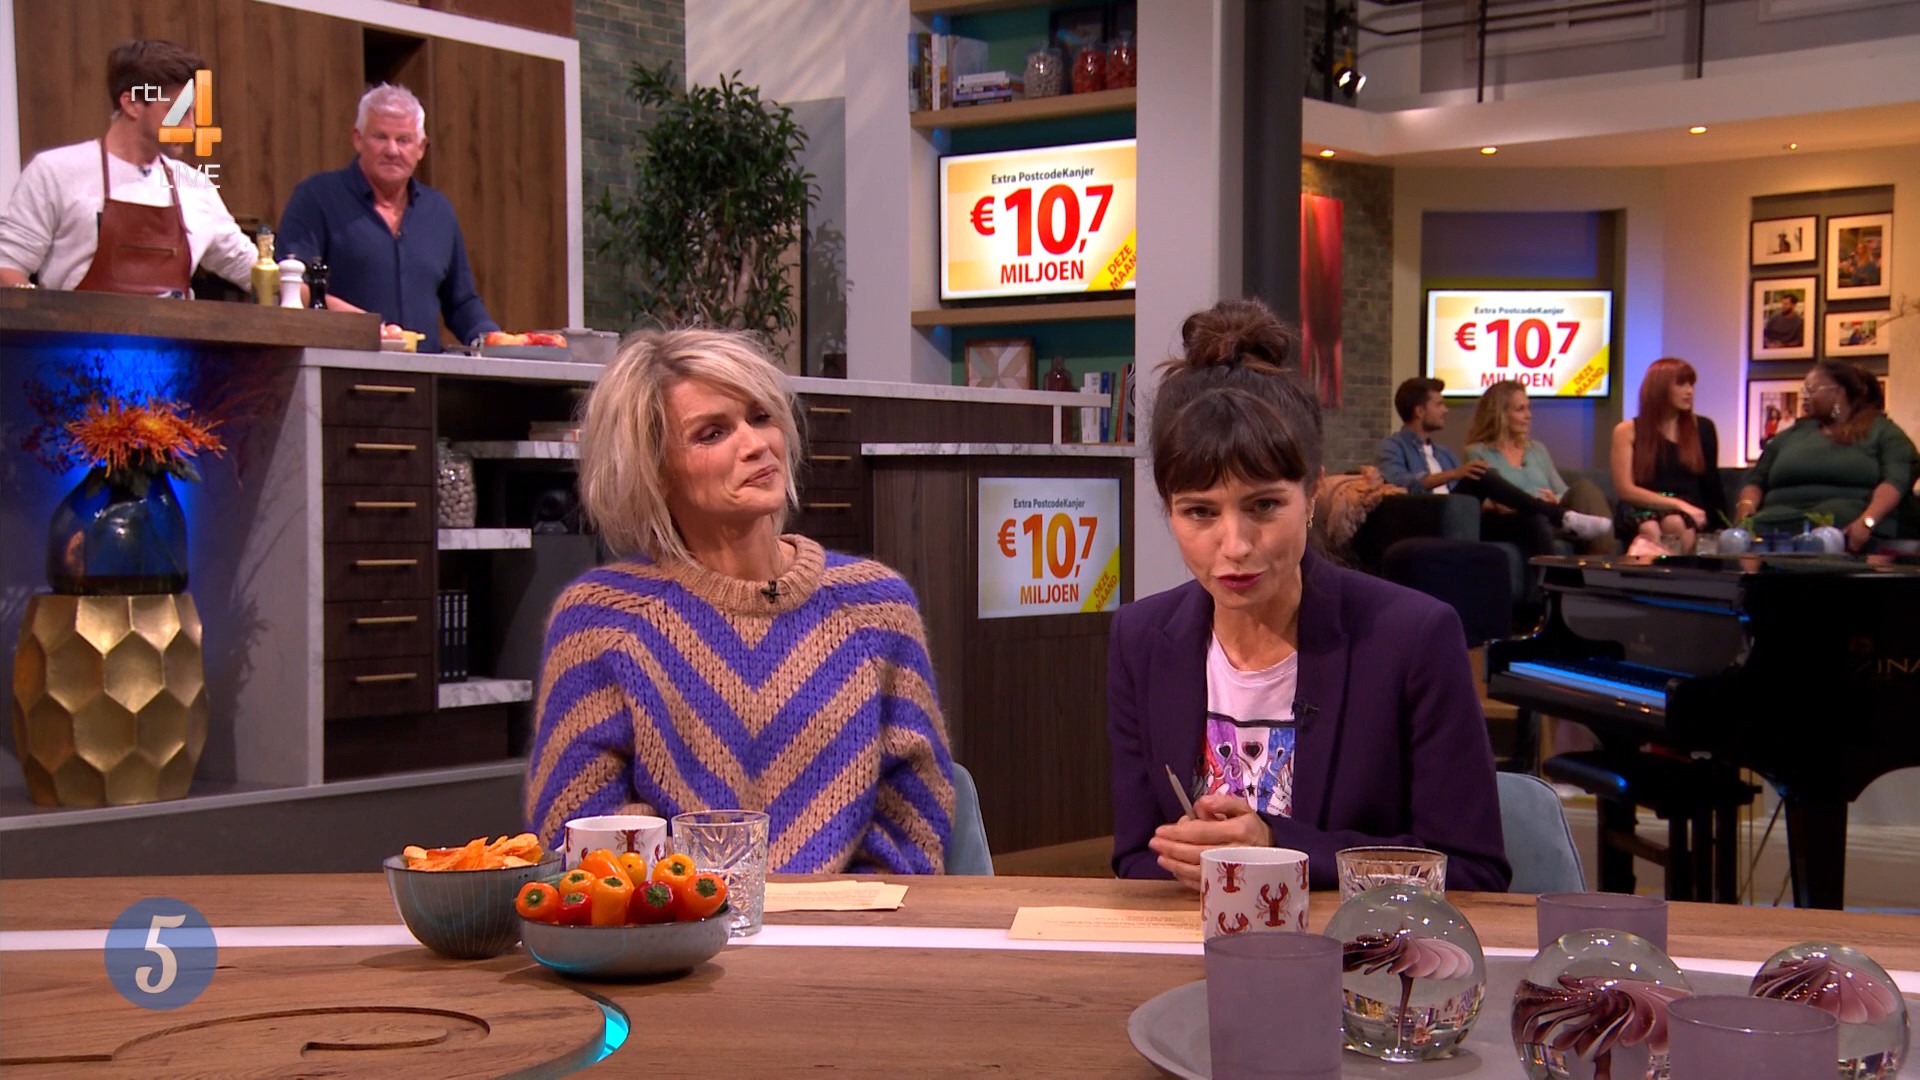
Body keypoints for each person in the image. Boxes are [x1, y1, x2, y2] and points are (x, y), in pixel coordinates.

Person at [1108, 299, 1511, 893]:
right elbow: (1137, 857)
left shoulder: (1414, 638)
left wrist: (1279, 850)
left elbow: (1472, 872)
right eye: (1199, 512)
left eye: (1264, 505)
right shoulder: (1140, 638)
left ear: (1313, 494)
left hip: (1357, 945)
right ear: (1169, 511)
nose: (1235, 545)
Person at [524, 328, 954, 873]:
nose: (755, 444)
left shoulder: (874, 607)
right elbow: (580, 823)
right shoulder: (602, 620)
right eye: (712, 433)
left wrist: (842, 912)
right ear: (654, 470)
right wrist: (701, 904)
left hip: (852, 918)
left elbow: (916, 813)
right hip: (675, 918)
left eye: (760, 416)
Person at [0, 40, 255, 295]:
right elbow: (7, 266)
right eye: (177, 112)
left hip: (176, 322)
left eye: (193, 114)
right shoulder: (55, 172)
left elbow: (249, 267)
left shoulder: (195, 185)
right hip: (77, 322)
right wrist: (39, 310)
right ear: (132, 103)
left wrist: (279, 284)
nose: (190, 127)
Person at [275, 84, 498, 352]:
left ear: (421, 148)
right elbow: (290, 286)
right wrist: (362, 324)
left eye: (403, 140)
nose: (392, 150)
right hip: (341, 366)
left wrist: (497, 342)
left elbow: (461, 303)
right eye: (381, 137)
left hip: (425, 372)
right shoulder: (316, 197)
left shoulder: (439, 211)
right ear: (358, 139)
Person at [1378, 376, 1613, 556]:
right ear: (1420, 411)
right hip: (1428, 516)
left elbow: (1471, 496)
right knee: (1482, 474)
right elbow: (1398, 484)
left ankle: (1552, 595)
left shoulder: (1444, 454)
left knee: (1533, 519)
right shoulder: (1393, 447)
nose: (1445, 410)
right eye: (1439, 404)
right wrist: (1455, 474)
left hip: (1461, 516)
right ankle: (1560, 516)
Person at [1737, 359, 1914, 551]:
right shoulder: (1790, 435)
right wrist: (1745, 510)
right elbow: (1756, 480)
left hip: (1843, 531)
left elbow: (1897, 480)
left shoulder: (1882, 431)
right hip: (1774, 527)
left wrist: (1867, 522)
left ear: (1838, 392)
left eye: (1812, 390)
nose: (1805, 397)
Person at [1465, 380, 1617, 554]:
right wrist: (1533, 503)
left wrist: (1554, 499)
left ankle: (1604, 565)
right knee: (1537, 519)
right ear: (1500, 414)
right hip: (1520, 520)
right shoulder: (1477, 452)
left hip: (1553, 516)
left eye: (1528, 408)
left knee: (1585, 488)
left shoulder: (1537, 449)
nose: (1528, 415)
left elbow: (1562, 491)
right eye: (1520, 409)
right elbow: (1482, 501)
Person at [1609, 358, 1727, 552]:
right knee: (1650, 528)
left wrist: (1721, 525)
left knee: (1675, 523)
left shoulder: (1703, 428)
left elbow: (1711, 483)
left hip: (1686, 507)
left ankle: (1673, 570)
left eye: (1691, 384)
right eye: (1681, 384)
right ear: (1659, 388)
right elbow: (1625, 489)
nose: (1689, 391)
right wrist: (1678, 504)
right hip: (1640, 506)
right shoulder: (1626, 430)